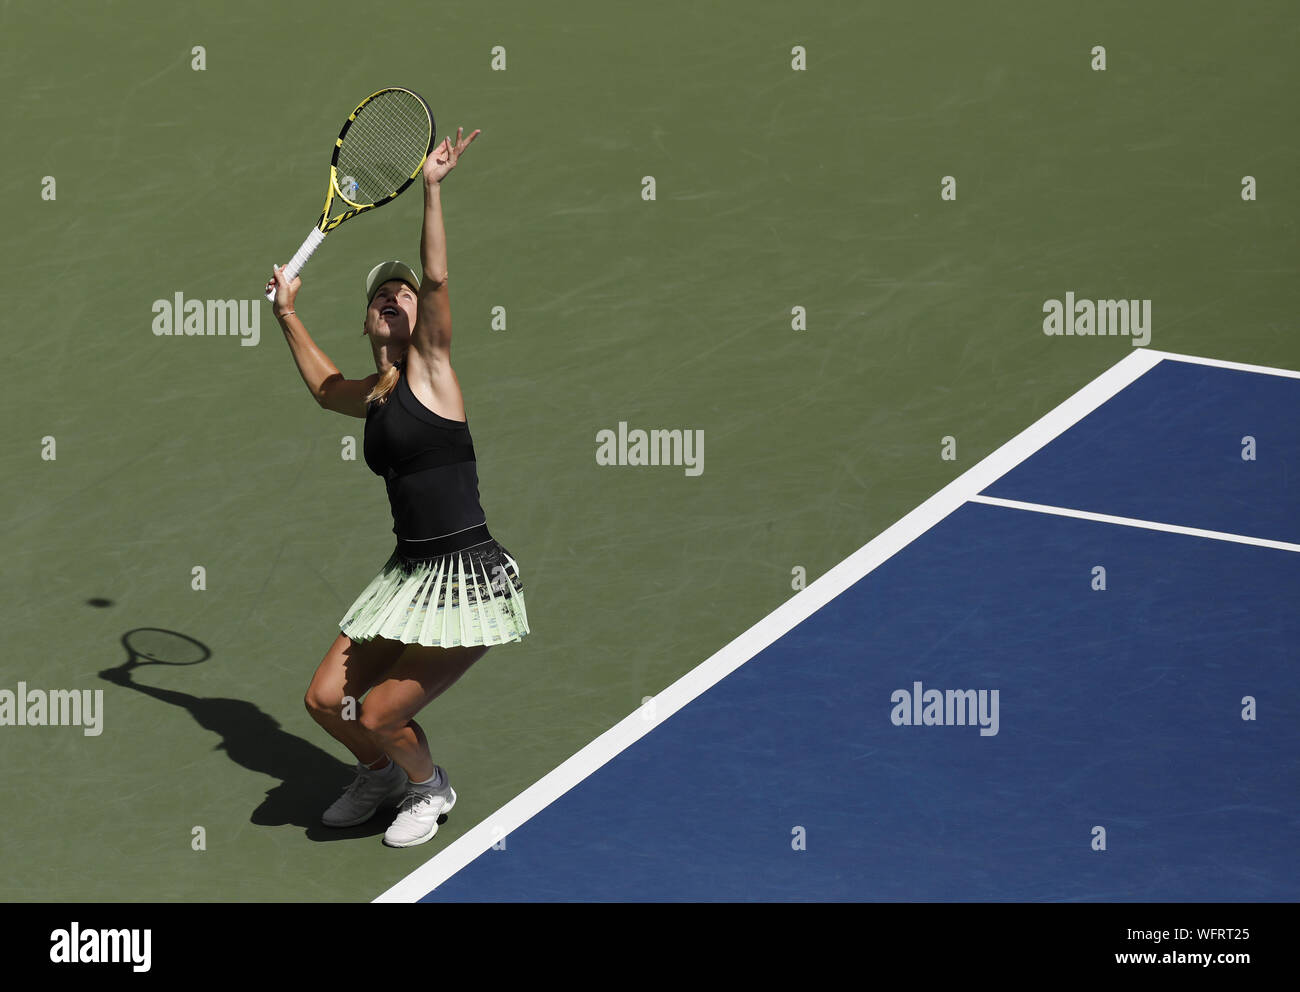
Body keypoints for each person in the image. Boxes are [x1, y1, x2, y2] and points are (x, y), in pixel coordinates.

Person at [266, 127, 529, 848]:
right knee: (326, 701)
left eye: (404, 291)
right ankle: (380, 774)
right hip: (408, 572)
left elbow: (438, 279)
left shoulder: (434, 370)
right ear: (368, 320)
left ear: (421, 320)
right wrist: (287, 310)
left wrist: (434, 189)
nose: (397, 293)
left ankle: (428, 787)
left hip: (467, 575)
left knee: (378, 709)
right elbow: (325, 390)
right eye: (383, 291)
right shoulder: (376, 395)